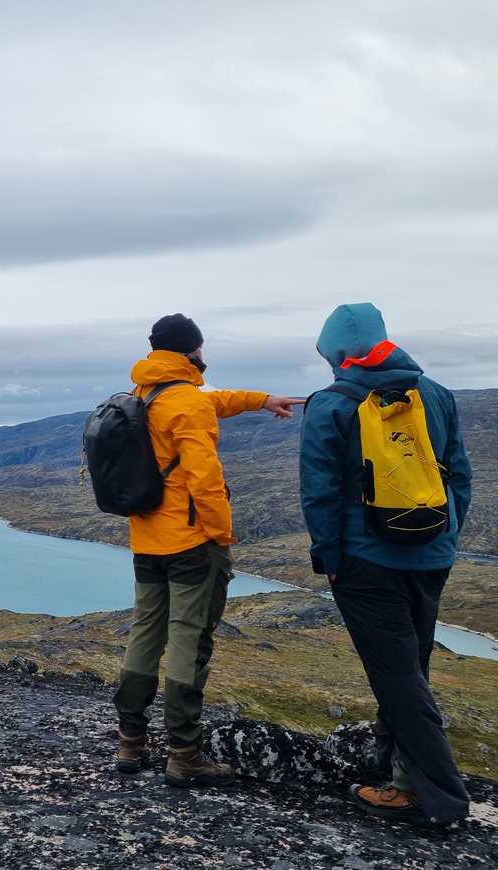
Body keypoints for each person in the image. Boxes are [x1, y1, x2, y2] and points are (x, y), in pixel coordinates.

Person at [113, 313, 303, 787]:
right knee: (188, 641)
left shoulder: (144, 395)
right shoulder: (185, 403)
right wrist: (221, 535)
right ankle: (184, 752)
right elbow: (206, 480)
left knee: (144, 635)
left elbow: (211, 400)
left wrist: (262, 400)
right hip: (191, 543)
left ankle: (130, 742)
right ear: (193, 351)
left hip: (145, 538)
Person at [300, 303, 472, 826]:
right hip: (432, 555)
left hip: (366, 561)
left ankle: (442, 800)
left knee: (397, 679)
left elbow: (320, 492)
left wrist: (329, 558)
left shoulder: (330, 404)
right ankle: (393, 772)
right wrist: (447, 538)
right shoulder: (437, 394)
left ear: (338, 354)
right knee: (411, 667)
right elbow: (458, 477)